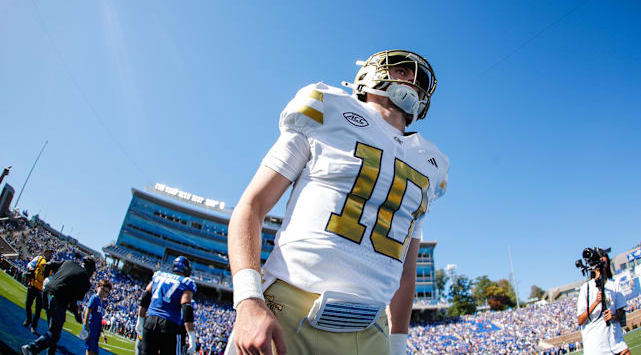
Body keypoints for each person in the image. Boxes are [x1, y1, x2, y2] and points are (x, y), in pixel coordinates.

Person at [226, 50, 449, 355]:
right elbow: (252, 206)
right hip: (291, 308)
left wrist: (398, 345)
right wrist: (249, 300)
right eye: (399, 70)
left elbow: (407, 270)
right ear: (368, 78)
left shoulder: (431, 163)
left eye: (417, 78)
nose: (409, 79)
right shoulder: (327, 107)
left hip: (371, 331)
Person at [21, 256, 96, 355]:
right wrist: (77, 315)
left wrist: (47, 279)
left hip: (46, 291)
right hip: (58, 299)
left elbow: (48, 265)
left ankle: (51, 352)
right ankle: (31, 348)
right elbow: (73, 301)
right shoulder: (85, 280)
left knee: (54, 328)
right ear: (90, 268)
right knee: (54, 333)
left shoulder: (68, 262)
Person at [136, 255, 198, 355]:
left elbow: (145, 296)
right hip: (170, 325)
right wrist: (191, 335)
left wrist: (140, 319)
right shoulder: (186, 282)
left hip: (150, 321)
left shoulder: (159, 276)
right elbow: (186, 306)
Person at [576, 252, 631, 355]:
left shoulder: (614, 284)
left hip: (616, 342)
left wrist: (613, 316)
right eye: (600, 262)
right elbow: (580, 320)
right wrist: (596, 302)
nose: (602, 265)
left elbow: (621, 314)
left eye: (605, 262)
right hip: (595, 347)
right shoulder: (586, 288)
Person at [23, 248, 54, 335]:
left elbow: (52, 277)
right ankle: (29, 319)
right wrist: (30, 269)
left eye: (51, 254)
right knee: (28, 303)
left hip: (42, 289)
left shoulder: (52, 264)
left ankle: (33, 326)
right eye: (49, 253)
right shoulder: (39, 259)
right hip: (33, 284)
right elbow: (30, 264)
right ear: (45, 253)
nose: (50, 255)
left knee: (38, 310)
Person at [83, 279, 112, 355]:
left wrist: (102, 333)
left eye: (106, 292)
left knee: (95, 352)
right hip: (90, 328)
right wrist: (86, 329)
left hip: (96, 331)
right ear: (97, 287)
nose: (104, 293)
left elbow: (100, 320)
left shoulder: (101, 303)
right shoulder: (94, 298)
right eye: (103, 289)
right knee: (89, 351)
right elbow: (87, 313)